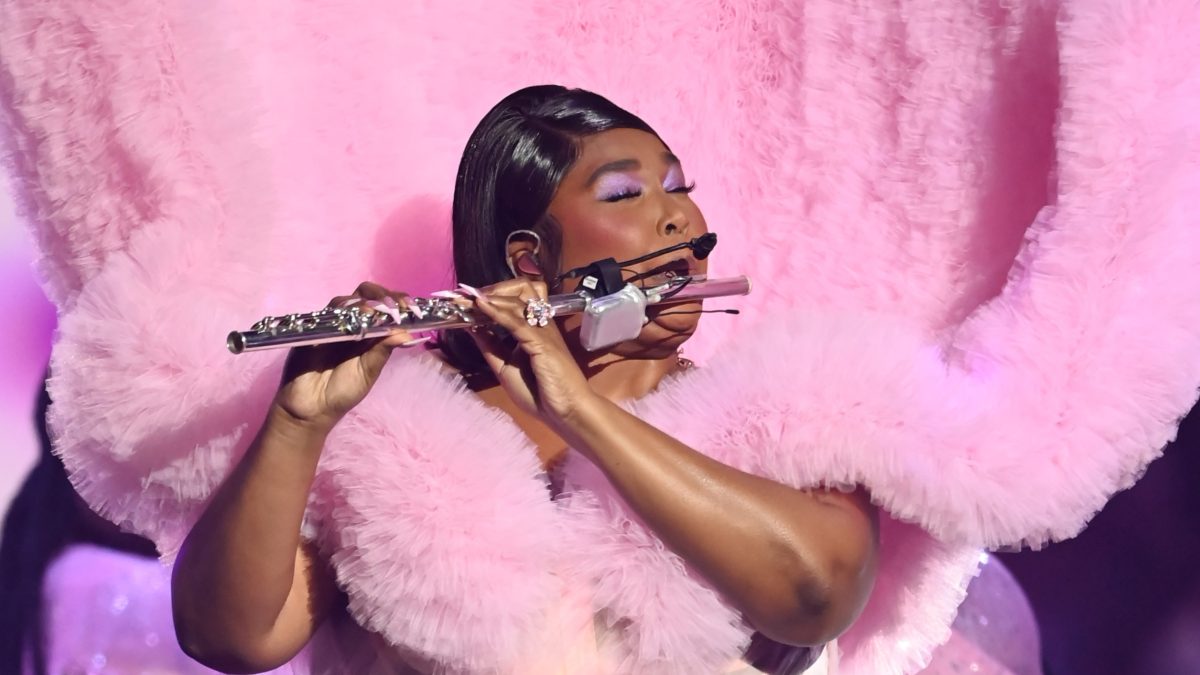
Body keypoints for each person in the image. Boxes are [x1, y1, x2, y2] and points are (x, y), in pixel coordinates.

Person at [170, 85, 880, 674]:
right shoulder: (420, 442)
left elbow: (817, 592)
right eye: (625, 194)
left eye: (677, 186)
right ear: (531, 261)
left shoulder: (783, 411)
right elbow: (228, 636)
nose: (677, 215)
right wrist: (297, 425)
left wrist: (580, 413)